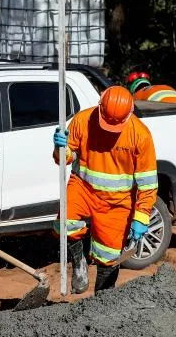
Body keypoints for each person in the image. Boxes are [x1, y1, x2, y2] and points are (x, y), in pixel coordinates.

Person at [52, 85, 158, 294]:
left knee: (108, 256)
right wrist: (59, 148)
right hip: (83, 187)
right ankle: (79, 264)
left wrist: (141, 217)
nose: (109, 126)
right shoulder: (83, 121)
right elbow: (64, 160)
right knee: (64, 225)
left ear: (130, 114)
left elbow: (147, 183)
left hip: (118, 202)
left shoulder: (141, 135)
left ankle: (102, 302)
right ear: (100, 105)